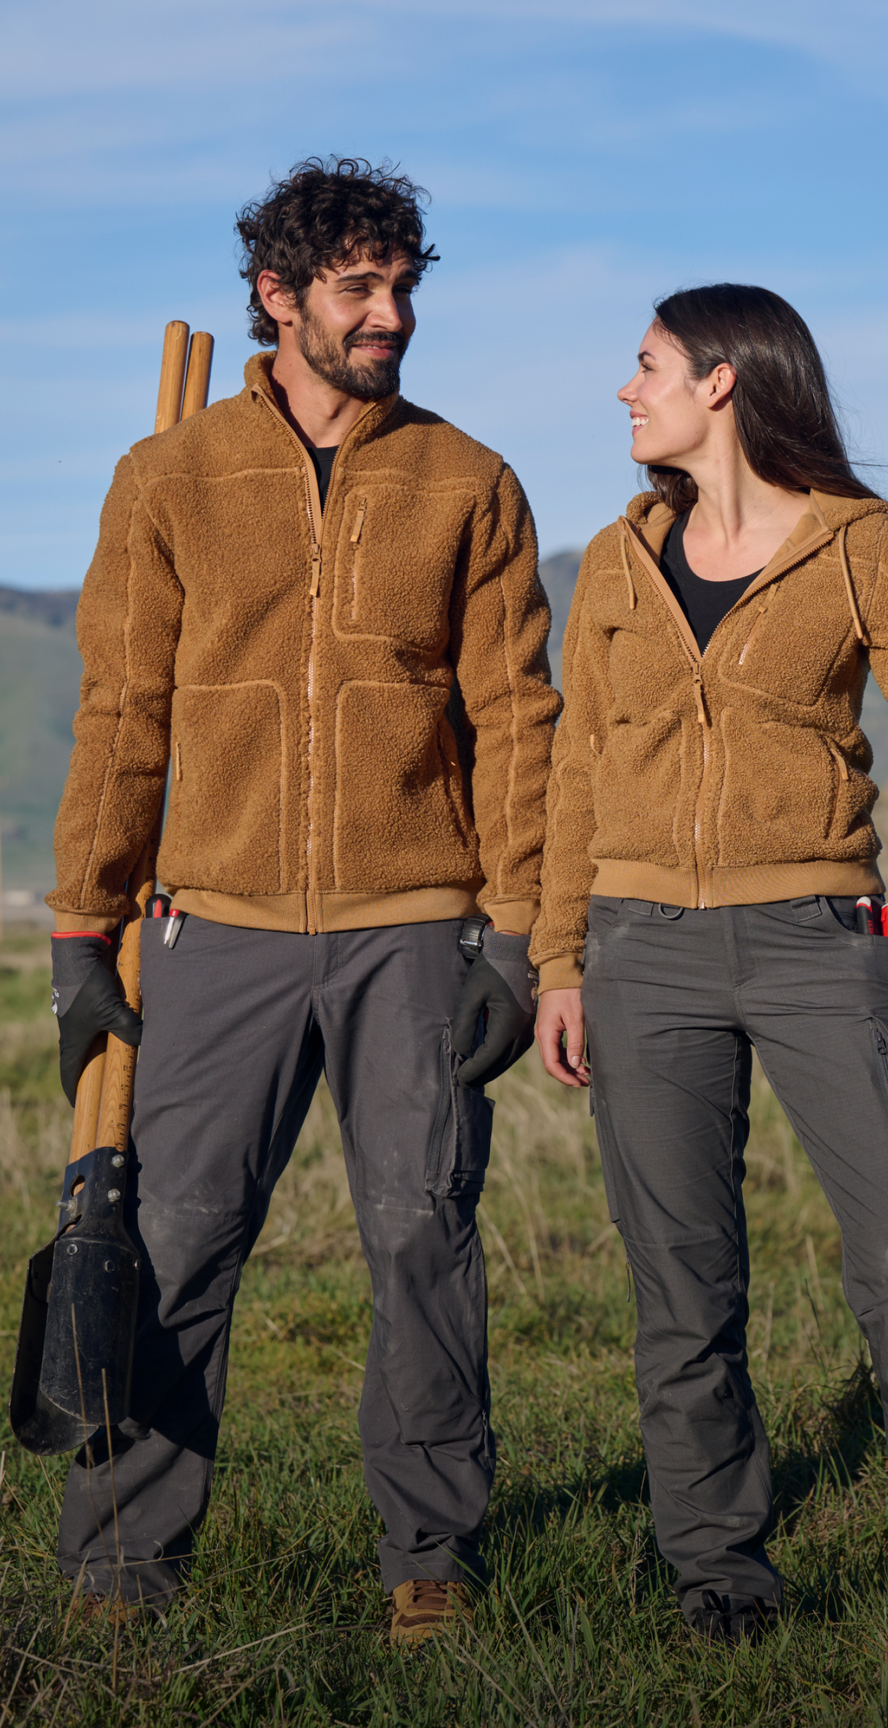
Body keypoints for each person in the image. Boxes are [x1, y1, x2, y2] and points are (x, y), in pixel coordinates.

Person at [47, 156, 559, 1640]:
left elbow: (517, 721)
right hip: (217, 924)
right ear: (276, 297)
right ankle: (125, 1566)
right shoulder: (170, 477)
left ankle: (431, 1557)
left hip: (416, 925)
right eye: (358, 289)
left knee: (421, 1231)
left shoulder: (470, 480)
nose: (390, 314)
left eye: (403, 286)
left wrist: (519, 936)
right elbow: (121, 710)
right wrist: (86, 923)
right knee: (178, 1237)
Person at [531, 282, 888, 1641]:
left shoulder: (861, 546)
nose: (627, 387)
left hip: (818, 940)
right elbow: (576, 767)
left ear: (725, 379)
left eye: (648, 363)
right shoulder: (613, 558)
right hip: (639, 945)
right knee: (682, 1279)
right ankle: (720, 1568)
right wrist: (560, 956)